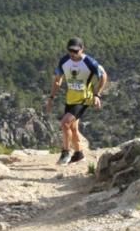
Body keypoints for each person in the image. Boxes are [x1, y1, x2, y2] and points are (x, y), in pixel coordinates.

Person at [44, 37, 108, 165]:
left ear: (82, 49)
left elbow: (103, 76)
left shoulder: (90, 63)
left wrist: (97, 94)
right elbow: (58, 79)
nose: (73, 54)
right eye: (70, 51)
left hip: (84, 99)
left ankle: (65, 153)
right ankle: (79, 154)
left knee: (65, 123)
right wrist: (51, 97)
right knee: (73, 128)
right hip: (70, 98)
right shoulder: (64, 61)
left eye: (76, 51)